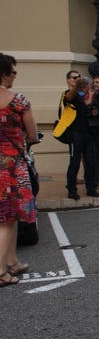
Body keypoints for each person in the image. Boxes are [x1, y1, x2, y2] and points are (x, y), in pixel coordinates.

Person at [0, 53, 38, 287]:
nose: (15, 76)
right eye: (13, 72)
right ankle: (1, 271)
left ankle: (13, 261)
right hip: (11, 167)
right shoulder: (18, 101)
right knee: (7, 217)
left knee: (9, 217)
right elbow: (33, 135)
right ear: (4, 74)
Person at [64, 70, 99, 199]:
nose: (76, 79)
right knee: (75, 161)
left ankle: (91, 188)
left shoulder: (81, 95)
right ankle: (71, 189)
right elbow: (69, 98)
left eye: (78, 77)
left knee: (91, 161)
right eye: (74, 78)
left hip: (87, 132)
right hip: (75, 133)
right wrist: (77, 85)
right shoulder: (68, 94)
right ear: (68, 80)